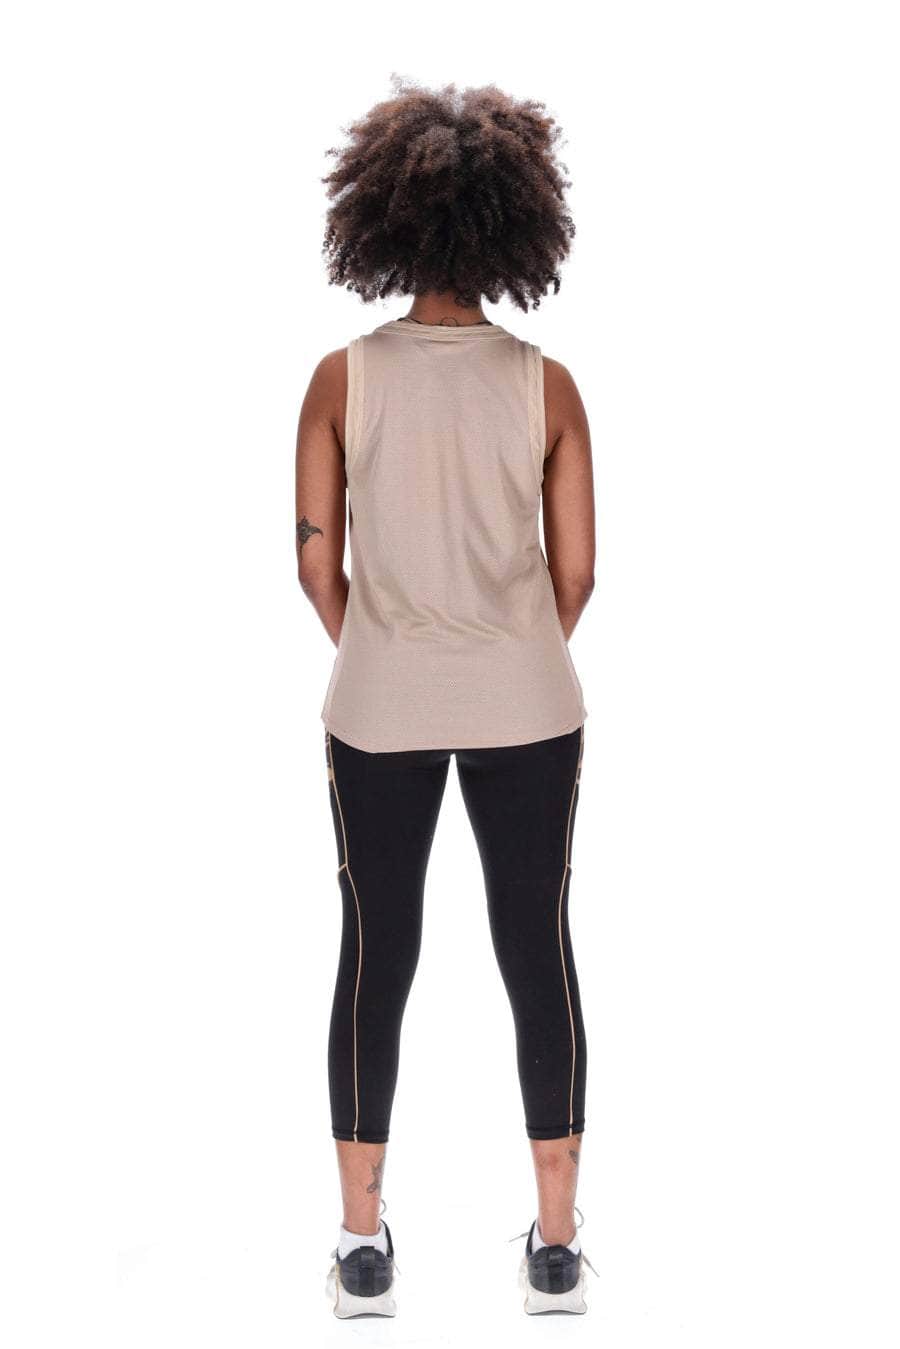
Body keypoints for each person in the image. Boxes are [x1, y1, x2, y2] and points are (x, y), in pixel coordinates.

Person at [295, 77, 597, 1317]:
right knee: (538, 944)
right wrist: (503, 652)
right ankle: (558, 1247)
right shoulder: (546, 384)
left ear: (383, 222)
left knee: (377, 949)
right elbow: (578, 572)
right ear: (514, 227)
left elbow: (315, 562)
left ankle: (362, 1246)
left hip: (378, 707)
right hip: (531, 701)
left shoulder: (340, 379)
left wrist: (392, 649)